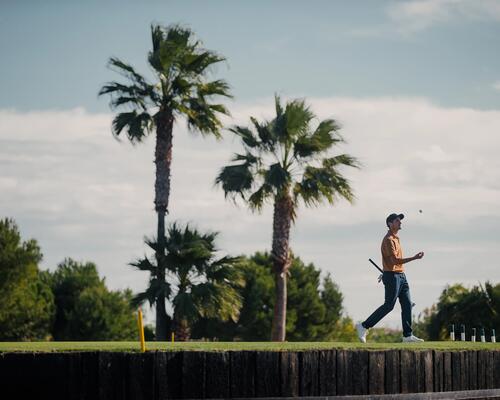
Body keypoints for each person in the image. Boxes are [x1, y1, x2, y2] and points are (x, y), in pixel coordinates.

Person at [356, 213, 424, 343]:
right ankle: (363, 326)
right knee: (389, 306)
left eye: (400, 221)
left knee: (407, 305)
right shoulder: (388, 240)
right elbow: (394, 261)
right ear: (390, 224)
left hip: (401, 276)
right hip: (392, 276)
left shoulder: (396, 238)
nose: (400, 223)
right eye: (397, 221)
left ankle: (407, 335)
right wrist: (414, 258)